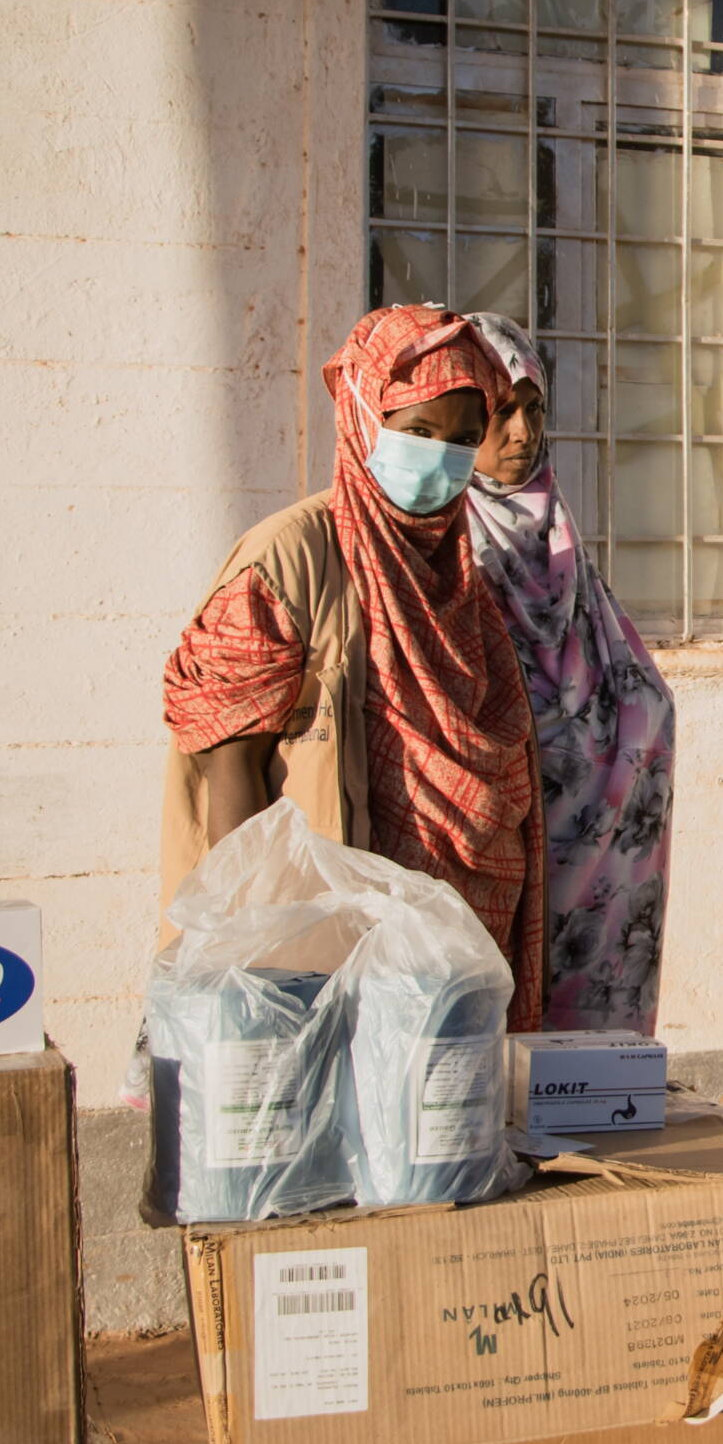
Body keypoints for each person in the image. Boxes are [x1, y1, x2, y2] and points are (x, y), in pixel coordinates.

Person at [160, 304, 547, 1029]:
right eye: (419, 432)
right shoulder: (288, 561)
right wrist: (260, 972)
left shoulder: (459, 582)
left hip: (443, 964)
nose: (442, 458)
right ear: (366, 420)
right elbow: (228, 762)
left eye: (464, 440)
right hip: (311, 963)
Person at [462, 313, 676, 1035]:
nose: (521, 434)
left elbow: (623, 679)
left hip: (587, 870)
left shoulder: (555, 532)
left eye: (533, 411)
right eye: (499, 412)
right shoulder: (441, 543)